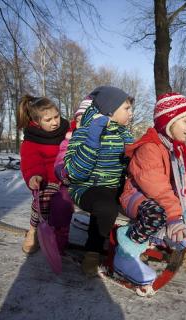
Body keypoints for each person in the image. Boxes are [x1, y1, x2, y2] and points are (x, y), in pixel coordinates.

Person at [116, 92, 186, 286]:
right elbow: (158, 188)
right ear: (169, 122)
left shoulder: (178, 149)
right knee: (157, 214)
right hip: (136, 196)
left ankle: (161, 232)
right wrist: (173, 217)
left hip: (158, 197)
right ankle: (126, 249)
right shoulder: (150, 148)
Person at [64, 86, 134, 277]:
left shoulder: (125, 135)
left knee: (142, 199)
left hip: (115, 185)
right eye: (126, 108)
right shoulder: (84, 133)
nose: (131, 113)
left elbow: (134, 164)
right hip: (88, 187)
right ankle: (93, 251)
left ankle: (136, 242)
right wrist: (92, 141)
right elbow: (75, 174)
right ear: (110, 110)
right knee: (106, 206)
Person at [18, 94, 69, 254]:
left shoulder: (67, 129)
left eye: (56, 116)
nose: (55, 122)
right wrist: (35, 175)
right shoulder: (32, 140)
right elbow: (31, 161)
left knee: (64, 205)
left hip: (66, 178)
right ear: (38, 122)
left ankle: (60, 235)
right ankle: (33, 230)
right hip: (47, 179)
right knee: (44, 200)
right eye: (48, 120)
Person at [50, 95, 93, 254]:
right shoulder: (69, 141)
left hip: (95, 185)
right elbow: (61, 159)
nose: (83, 124)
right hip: (71, 184)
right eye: (80, 120)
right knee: (60, 202)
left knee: (104, 203)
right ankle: (59, 237)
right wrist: (64, 171)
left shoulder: (107, 141)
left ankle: (97, 240)